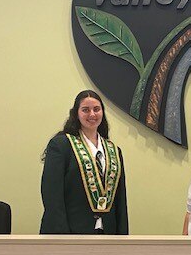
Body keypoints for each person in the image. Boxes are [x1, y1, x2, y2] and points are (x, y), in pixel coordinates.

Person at [40, 90, 128, 234]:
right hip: (70, 233)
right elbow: (52, 196)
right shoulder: (61, 145)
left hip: (107, 233)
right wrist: (62, 238)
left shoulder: (114, 150)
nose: (92, 114)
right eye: (85, 110)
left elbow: (120, 201)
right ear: (76, 113)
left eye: (96, 109)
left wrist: (123, 238)